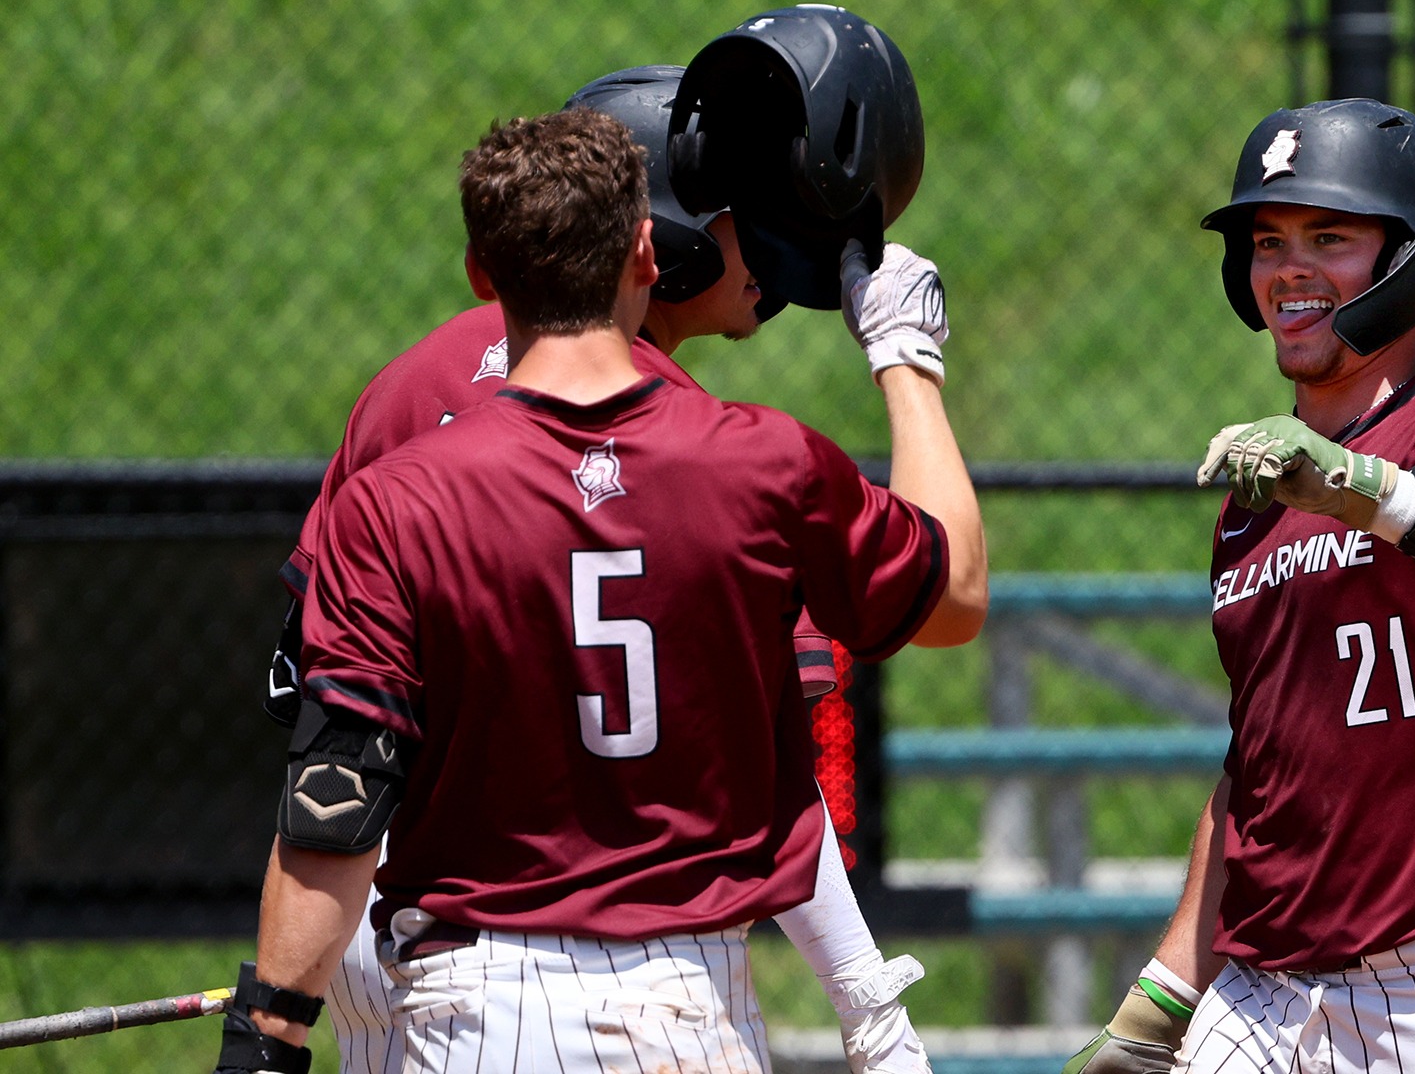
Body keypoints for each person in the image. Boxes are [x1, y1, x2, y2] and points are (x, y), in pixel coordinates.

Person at [213, 108, 985, 1074]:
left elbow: (337, 798)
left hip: (468, 1006)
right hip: (683, 1004)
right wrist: (906, 360)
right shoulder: (764, 463)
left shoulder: (396, 500)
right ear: (648, 255)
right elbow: (952, 592)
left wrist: (271, 1030)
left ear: (483, 277)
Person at [1064, 99, 1415, 1073]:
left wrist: (1379, 494)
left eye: (1329, 236)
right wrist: (1162, 1001)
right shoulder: (1260, 492)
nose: (1289, 266)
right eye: (1268, 239)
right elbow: (1260, 770)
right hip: (1267, 987)